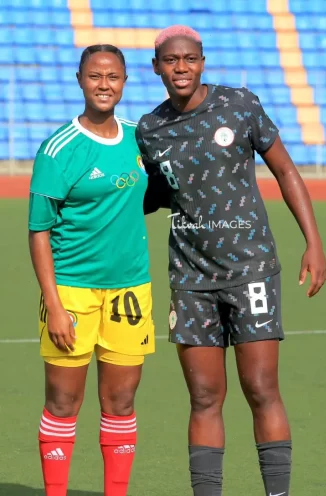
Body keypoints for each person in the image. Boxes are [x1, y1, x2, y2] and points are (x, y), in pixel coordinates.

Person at [137, 25, 326, 496]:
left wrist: (314, 241)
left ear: (202, 61)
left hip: (251, 270)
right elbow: (155, 197)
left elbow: (285, 169)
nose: (181, 68)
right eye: (171, 60)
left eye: (190, 59)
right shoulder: (149, 129)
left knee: (261, 390)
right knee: (203, 397)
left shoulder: (240, 104)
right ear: (156, 66)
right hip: (190, 278)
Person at [28, 44, 155, 496]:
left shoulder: (141, 136)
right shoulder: (57, 150)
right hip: (72, 292)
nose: (105, 85)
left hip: (130, 292)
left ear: (125, 82)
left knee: (120, 402)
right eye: (96, 76)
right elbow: (39, 232)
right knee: (64, 402)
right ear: (80, 78)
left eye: (113, 77)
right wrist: (54, 304)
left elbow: (164, 190)